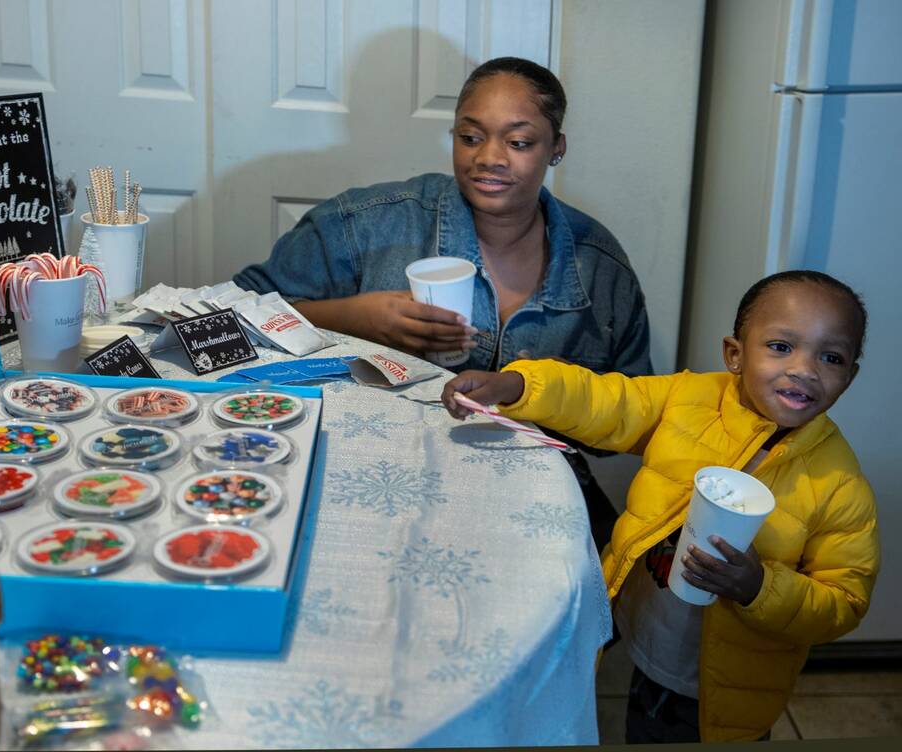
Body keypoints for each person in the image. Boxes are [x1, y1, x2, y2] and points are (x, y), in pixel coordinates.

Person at [440, 270, 879, 743]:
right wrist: (519, 386)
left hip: (720, 690)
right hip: (649, 636)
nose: (804, 369)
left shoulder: (840, 485)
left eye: (830, 357)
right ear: (735, 354)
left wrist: (759, 587)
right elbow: (607, 401)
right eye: (780, 347)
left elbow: (844, 601)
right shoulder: (687, 399)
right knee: (640, 717)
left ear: (849, 376)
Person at [234, 56, 653, 549]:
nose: (489, 158)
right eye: (470, 138)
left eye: (518, 142)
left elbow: (633, 417)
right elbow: (229, 316)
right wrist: (353, 319)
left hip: (530, 498)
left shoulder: (598, 267)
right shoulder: (367, 224)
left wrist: (530, 393)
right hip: (372, 477)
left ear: (556, 148)